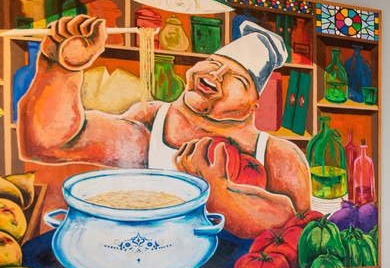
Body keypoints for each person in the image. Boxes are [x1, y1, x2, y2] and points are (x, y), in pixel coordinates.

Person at [18, 14, 311, 239]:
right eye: (212, 61)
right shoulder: (151, 124)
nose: (216, 73)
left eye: (237, 78)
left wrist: (220, 193)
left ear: (253, 103)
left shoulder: (277, 154)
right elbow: (52, 142)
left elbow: (296, 228)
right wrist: (60, 67)